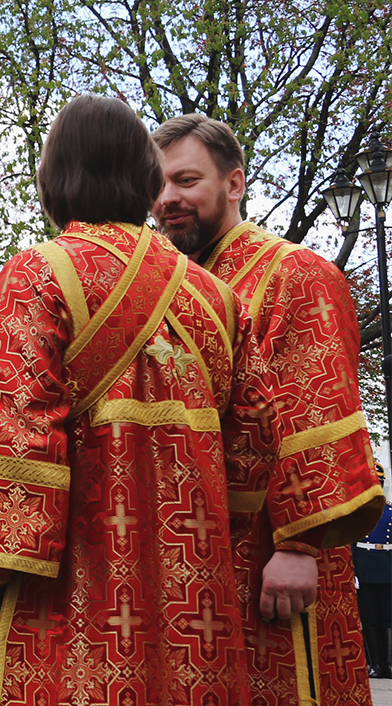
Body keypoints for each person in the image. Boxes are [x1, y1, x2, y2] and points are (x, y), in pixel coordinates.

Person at [0, 95, 265, 704]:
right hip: (193, 589)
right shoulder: (217, 298)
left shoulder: (39, 275)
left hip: (69, 590)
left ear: (55, 176)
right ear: (145, 179)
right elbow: (250, 446)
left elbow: (13, 427)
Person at [154, 113, 384, 705]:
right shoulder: (169, 285)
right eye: (156, 186)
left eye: (184, 180)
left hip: (273, 552)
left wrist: (299, 547)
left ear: (234, 185)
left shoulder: (297, 274)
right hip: (194, 555)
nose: (166, 200)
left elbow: (317, 409)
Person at [355, 462, 392, 678]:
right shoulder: (359, 512)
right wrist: (352, 571)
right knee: (369, 618)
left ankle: (387, 665)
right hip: (365, 568)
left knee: (387, 617)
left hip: (387, 568)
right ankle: (374, 665)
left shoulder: (390, 511)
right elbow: (349, 542)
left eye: (380, 482)